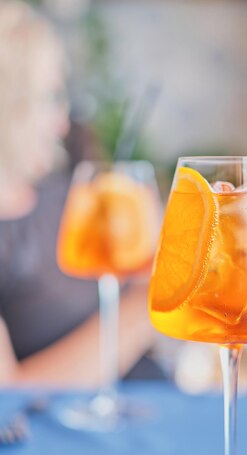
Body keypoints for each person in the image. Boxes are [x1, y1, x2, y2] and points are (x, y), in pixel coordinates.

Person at [0, 1, 157, 387]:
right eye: (50, 97)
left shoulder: (68, 196)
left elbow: (139, 261)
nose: (62, 121)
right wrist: (148, 306)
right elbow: (10, 394)